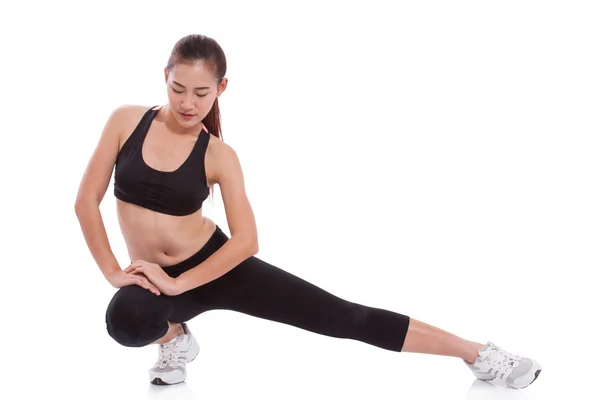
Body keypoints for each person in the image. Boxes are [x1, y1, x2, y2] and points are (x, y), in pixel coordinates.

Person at [74, 33, 542, 389]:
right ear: (165, 77)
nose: (187, 103)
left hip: (218, 266)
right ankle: (175, 339)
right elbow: (85, 202)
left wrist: (179, 281)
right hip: (157, 279)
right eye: (179, 89)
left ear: (222, 87)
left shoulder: (219, 155)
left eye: (201, 93)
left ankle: (478, 353)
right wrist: (116, 273)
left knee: (342, 318)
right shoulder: (125, 121)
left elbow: (247, 241)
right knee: (126, 320)